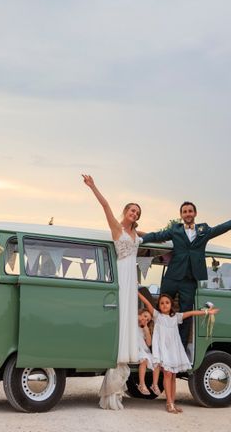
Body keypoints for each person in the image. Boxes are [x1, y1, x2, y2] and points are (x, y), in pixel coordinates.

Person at [141, 201, 231, 347]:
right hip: (172, 277)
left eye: (190, 211)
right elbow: (156, 235)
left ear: (195, 213)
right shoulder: (175, 229)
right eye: (185, 211)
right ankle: (158, 346)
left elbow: (223, 227)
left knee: (186, 316)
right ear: (181, 215)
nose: (187, 214)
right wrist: (139, 239)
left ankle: (180, 348)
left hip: (190, 281)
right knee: (161, 312)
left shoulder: (203, 230)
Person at [82, 174, 140, 410]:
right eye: (131, 210)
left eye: (137, 212)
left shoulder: (137, 234)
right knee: (122, 317)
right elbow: (105, 206)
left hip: (132, 277)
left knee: (129, 317)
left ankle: (117, 386)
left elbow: (154, 237)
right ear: (125, 212)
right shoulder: (117, 229)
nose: (134, 214)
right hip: (123, 274)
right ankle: (112, 389)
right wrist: (93, 186)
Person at [138, 291, 219, 414]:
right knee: (167, 375)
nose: (164, 305)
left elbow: (191, 313)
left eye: (167, 303)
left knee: (173, 377)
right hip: (163, 350)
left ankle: (172, 403)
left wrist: (207, 312)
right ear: (159, 306)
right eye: (162, 303)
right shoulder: (157, 316)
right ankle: (169, 404)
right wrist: (136, 291)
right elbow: (147, 302)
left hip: (174, 350)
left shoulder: (176, 317)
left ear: (171, 305)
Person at [136, 308, 160, 396]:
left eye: (148, 320)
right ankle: (142, 384)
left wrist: (146, 329)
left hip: (144, 349)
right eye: (145, 316)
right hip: (136, 349)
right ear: (140, 314)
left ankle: (154, 384)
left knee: (157, 362)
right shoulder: (133, 322)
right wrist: (139, 318)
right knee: (144, 360)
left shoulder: (145, 328)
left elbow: (149, 343)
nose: (145, 319)